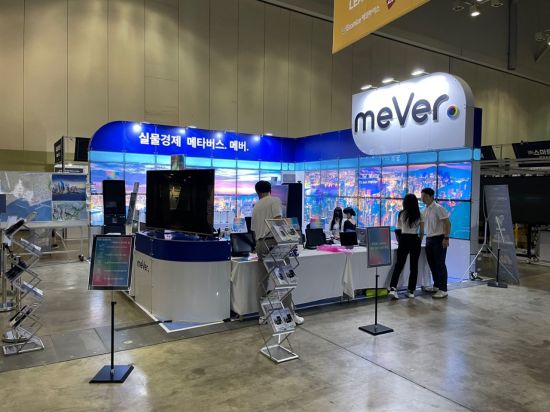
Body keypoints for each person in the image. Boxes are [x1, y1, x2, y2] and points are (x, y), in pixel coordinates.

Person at [251, 180, 304, 324]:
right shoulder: (275, 200)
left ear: (257, 192)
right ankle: (290, 315)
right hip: (273, 243)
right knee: (285, 279)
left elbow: (254, 230)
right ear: (270, 190)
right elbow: (278, 221)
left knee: (262, 280)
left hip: (260, 244)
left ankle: (262, 316)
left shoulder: (256, 206)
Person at [388, 194, 424, 299]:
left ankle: (393, 288)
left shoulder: (401, 213)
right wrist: (419, 241)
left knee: (399, 264)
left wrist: (400, 241)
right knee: (414, 266)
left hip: (404, 239)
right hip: (415, 239)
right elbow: (422, 232)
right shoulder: (420, 214)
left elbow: (398, 229)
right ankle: (411, 291)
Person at [421, 187, 451, 299]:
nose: (422, 199)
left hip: (439, 239)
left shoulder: (438, 208)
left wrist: (446, 238)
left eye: (424, 196)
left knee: (440, 264)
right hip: (429, 239)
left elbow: (447, 223)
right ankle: (436, 285)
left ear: (431, 196)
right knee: (432, 264)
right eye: (422, 196)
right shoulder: (425, 209)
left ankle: (443, 289)